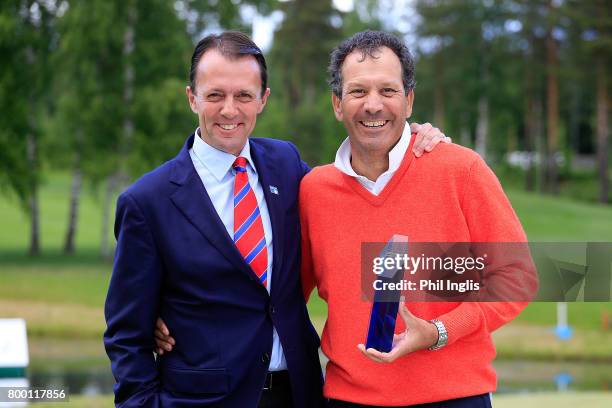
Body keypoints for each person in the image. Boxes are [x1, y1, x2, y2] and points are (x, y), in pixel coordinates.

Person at [105, 31, 448, 408]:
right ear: (192, 98)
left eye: (244, 96)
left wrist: (409, 138)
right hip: (200, 400)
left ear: (263, 100)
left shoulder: (286, 166)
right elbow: (126, 335)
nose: (230, 110)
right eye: (216, 95)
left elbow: (354, 195)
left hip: (298, 394)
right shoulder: (147, 202)